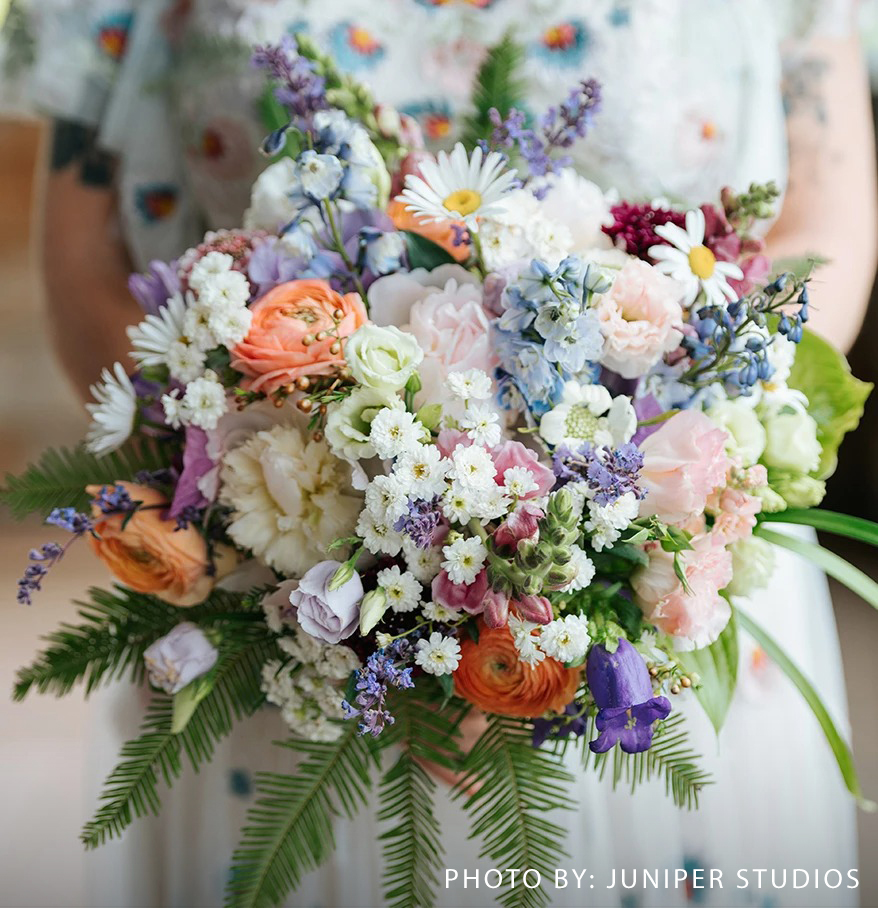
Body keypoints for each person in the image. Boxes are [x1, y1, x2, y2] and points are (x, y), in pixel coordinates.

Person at [3, 1, 875, 906]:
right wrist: (315, 522)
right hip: (283, 619)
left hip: (654, 585)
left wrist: (594, 556)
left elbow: (824, 229)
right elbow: (82, 266)